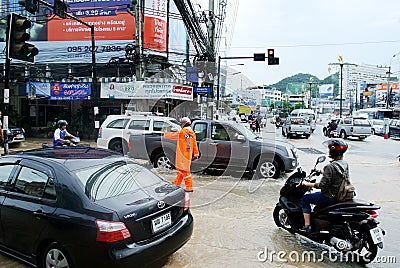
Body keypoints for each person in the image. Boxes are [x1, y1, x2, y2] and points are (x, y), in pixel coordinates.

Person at [300, 138, 349, 232]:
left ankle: (307, 226)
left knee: (305, 198)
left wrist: (307, 184)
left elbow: (322, 186)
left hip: (329, 196)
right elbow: (338, 176)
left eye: (330, 149)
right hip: (341, 194)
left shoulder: (330, 166)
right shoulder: (344, 164)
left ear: (333, 151)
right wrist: (321, 172)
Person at [164, 117, 199, 192]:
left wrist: (164, 134)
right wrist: (196, 154)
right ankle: (176, 184)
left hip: (182, 155)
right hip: (188, 155)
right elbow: (194, 144)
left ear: (183, 123)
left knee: (185, 172)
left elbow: (172, 135)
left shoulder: (182, 132)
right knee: (181, 171)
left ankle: (189, 188)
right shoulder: (192, 133)